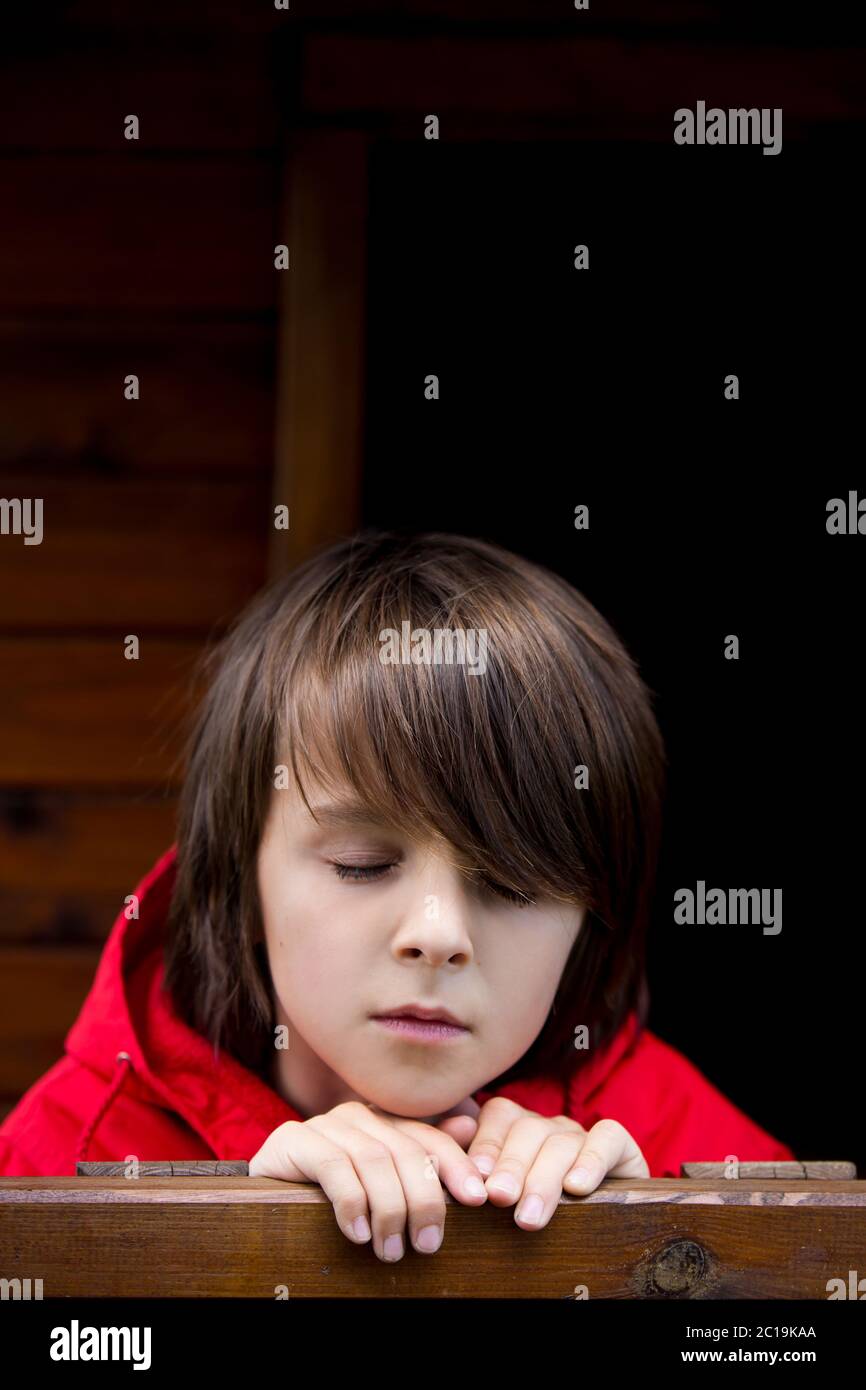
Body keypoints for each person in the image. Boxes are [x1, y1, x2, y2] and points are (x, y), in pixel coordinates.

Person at [0, 530, 795, 1263]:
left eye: (514, 879)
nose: (438, 933)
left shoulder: (685, 1152)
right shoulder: (70, 1157)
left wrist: (653, 1245)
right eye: (360, 863)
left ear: (591, 917)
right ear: (238, 882)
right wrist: (237, 1232)